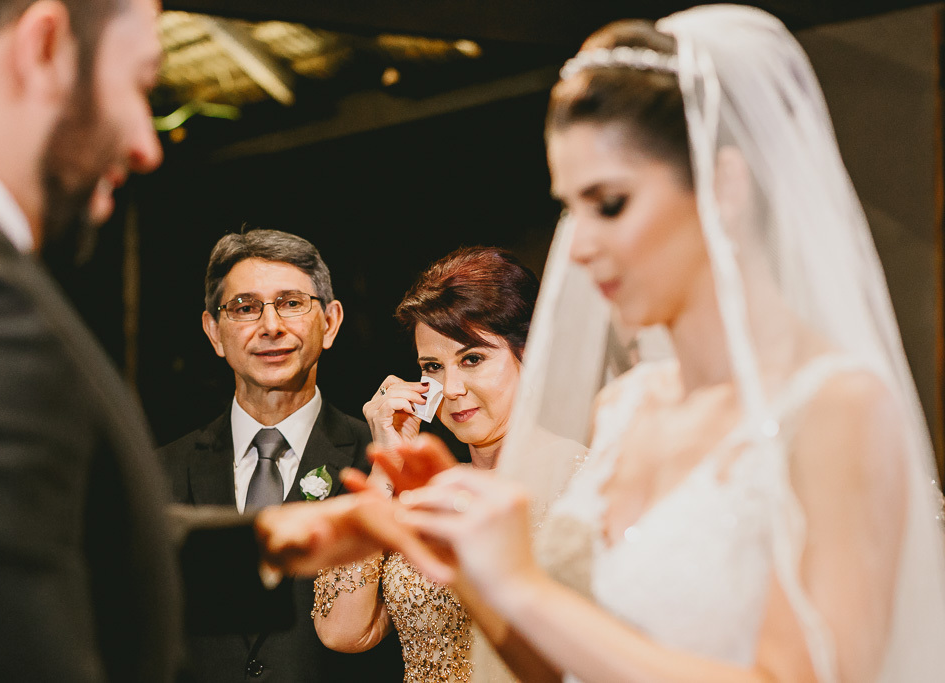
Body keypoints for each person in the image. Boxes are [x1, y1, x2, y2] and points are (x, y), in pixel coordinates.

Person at [378, 5, 945, 682]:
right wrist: (470, 561)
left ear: (724, 186)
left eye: (610, 203)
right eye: (572, 208)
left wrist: (523, 585)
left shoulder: (832, 405)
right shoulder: (629, 406)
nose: (580, 247)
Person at [0, 2, 434, 681]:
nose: (147, 144)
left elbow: (39, 535)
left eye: (291, 304)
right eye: (138, 85)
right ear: (43, 47)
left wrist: (270, 539)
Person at [313, 246, 585, 682]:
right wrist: (387, 464)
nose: (451, 387)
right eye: (432, 367)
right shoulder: (428, 493)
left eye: (472, 359)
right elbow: (342, 631)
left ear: (529, 353)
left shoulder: (584, 482)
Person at [159, 228, 404, 682]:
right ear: (214, 332)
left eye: (291, 303)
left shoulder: (381, 460)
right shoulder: (159, 473)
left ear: (329, 322)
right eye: (245, 308)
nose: (271, 326)